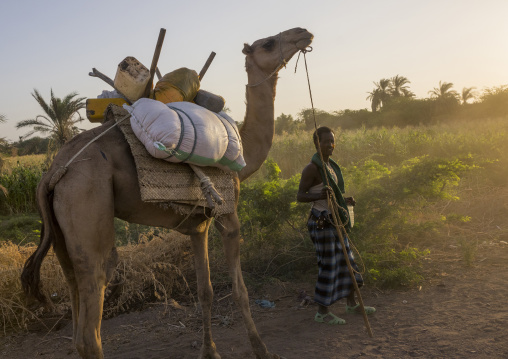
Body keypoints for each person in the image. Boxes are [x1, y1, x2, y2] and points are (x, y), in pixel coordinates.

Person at [297, 126, 375, 325]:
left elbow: (334, 193)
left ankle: (352, 304)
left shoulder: (330, 166)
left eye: (332, 141)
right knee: (329, 266)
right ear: (317, 143)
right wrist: (319, 195)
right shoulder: (312, 168)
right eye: (326, 141)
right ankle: (322, 312)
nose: (331, 145)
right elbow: (300, 196)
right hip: (321, 223)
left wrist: (344, 199)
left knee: (348, 263)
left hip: (336, 221)